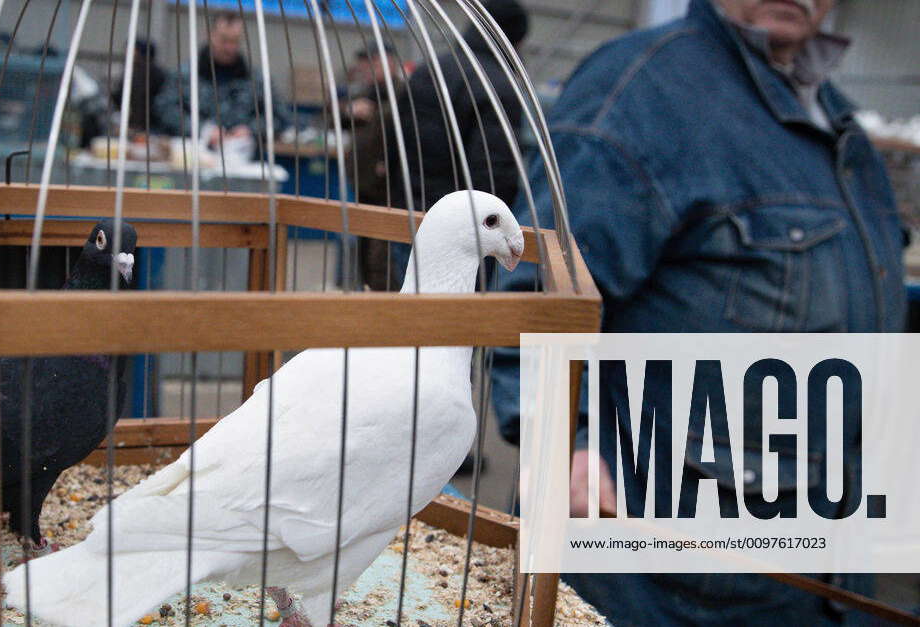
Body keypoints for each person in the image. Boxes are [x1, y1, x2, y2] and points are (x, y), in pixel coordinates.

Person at [492, 0, 906, 624]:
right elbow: (539, 287)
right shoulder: (641, 93)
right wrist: (561, 444)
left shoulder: (834, 119)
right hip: (669, 575)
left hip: (814, 558)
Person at [384, 0, 529, 290]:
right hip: (461, 233)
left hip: (408, 211)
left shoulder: (429, 69)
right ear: (513, 38)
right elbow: (494, 170)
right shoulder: (498, 87)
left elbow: (394, 135)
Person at [153, 11, 288, 147]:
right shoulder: (185, 76)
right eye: (224, 40)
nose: (229, 47)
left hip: (241, 158)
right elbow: (164, 108)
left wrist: (251, 129)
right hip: (193, 153)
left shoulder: (257, 80)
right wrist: (202, 130)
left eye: (235, 41)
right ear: (210, 35)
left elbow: (280, 116)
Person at [343, 41, 404, 290]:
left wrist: (374, 112)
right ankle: (366, 291)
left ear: (391, 63)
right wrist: (350, 111)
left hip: (388, 185)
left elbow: (399, 123)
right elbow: (328, 117)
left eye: (375, 63)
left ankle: (380, 297)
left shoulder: (403, 93)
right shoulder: (364, 92)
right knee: (363, 245)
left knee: (382, 252)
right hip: (362, 182)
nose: (368, 69)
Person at [112, 39, 167, 133]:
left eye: (132, 50)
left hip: (148, 127)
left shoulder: (146, 73)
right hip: (140, 125)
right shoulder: (133, 71)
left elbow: (141, 102)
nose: (127, 53)